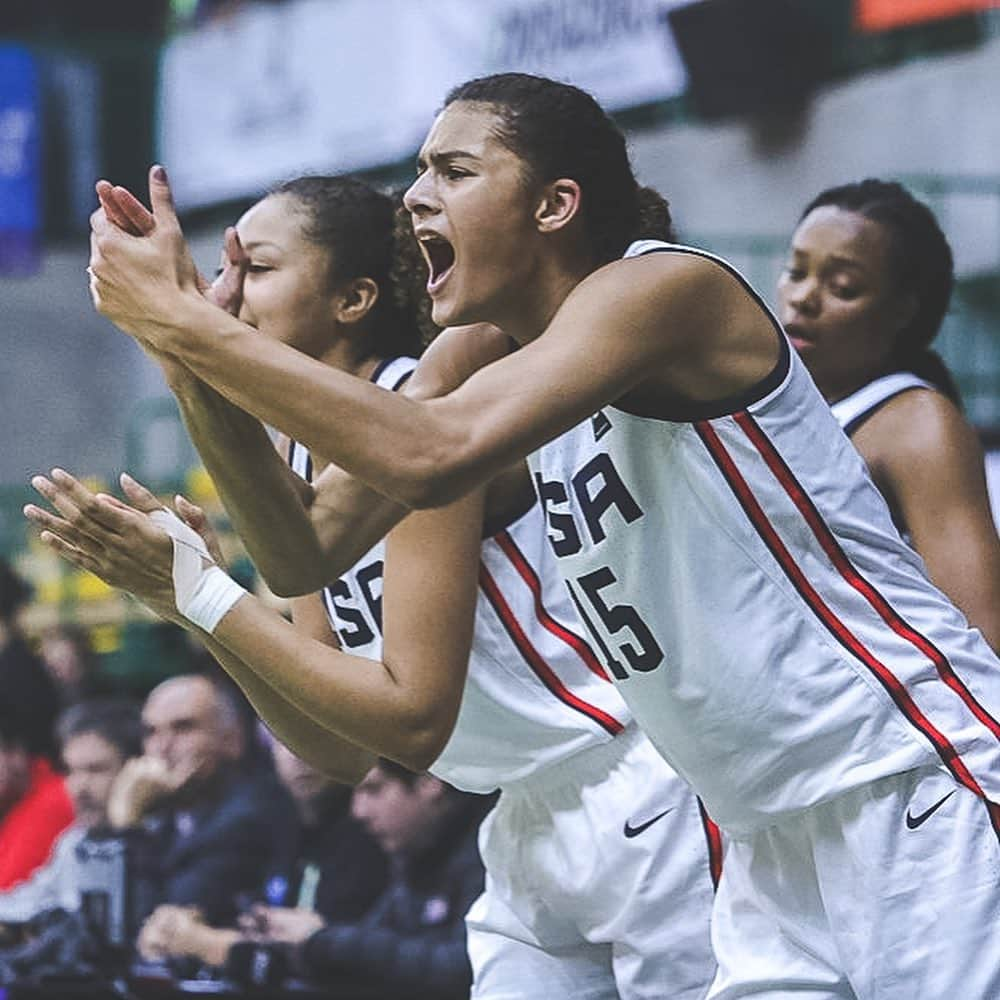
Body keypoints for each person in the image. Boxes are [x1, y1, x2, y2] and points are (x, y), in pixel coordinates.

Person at [75, 71, 1000, 998]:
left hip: (907, 772)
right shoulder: (473, 357)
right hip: (757, 825)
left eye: (455, 170)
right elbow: (303, 548)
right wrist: (183, 356)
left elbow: (437, 454)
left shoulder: (665, 288)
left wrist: (189, 322)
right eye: (419, 171)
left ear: (556, 204)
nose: (416, 196)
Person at [33, 172, 719, 998]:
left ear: (352, 299)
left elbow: (411, 719)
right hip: (525, 810)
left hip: (636, 789)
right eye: (222, 271)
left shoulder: (413, 415)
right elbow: (340, 748)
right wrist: (199, 599)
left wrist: (204, 594)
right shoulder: (292, 456)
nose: (224, 292)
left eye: (257, 269)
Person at [777, 178, 1000, 651]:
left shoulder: (918, 423)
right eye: (797, 272)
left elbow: (983, 632)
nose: (803, 297)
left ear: (903, 310)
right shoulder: (783, 408)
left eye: (842, 286)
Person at [133, 736, 388, 971]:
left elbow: (340, 959)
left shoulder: (373, 832)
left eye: (317, 735)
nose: (299, 754)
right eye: (284, 738)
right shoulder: (288, 823)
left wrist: (208, 943)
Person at [110, 673, 290, 926]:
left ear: (232, 739)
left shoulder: (249, 816)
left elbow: (151, 931)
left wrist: (129, 826)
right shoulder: (170, 812)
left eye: (183, 728)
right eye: (151, 732)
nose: (162, 747)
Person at [0, 697, 142, 924]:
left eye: (95, 770)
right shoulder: (74, 841)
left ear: (136, 769)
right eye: (71, 771)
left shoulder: (163, 840)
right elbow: (24, 903)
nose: (79, 787)